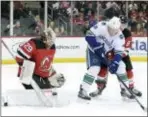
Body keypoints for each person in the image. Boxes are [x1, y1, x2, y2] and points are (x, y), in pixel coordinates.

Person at [89, 10, 142, 99]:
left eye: (124, 24)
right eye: (121, 24)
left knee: (128, 69)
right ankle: (100, 88)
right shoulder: (111, 29)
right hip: (107, 54)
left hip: (121, 54)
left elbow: (126, 48)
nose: (121, 26)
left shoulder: (127, 33)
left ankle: (130, 87)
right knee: (102, 70)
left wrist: (116, 59)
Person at [78, 16, 132, 100]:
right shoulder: (102, 26)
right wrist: (96, 47)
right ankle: (83, 90)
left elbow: (119, 52)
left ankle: (125, 89)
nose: (111, 31)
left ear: (118, 29)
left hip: (107, 53)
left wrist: (115, 63)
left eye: (114, 30)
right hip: (93, 51)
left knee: (121, 66)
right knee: (95, 68)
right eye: (110, 28)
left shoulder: (120, 36)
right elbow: (88, 35)